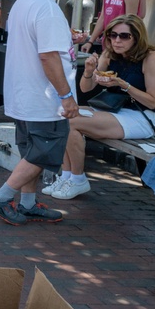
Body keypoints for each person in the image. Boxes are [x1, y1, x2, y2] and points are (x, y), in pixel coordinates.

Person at [0, 0, 92, 226]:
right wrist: (66, 96)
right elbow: (48, 57)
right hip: (43, 98)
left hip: (25, 94)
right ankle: (2, 196)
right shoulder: (47, 7)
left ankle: (28, 203)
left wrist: (67, 38)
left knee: (32, 151)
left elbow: (40, 47)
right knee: (42, 153)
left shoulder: (26, 1)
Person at [44, 15, 155, 200]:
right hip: (113, 111)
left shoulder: (149, 57)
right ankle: (66, 176)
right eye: (112, 35)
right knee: (63, 114)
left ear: (137, 37)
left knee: (72, 123)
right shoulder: (109, 53)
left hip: (142, 116)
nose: (117, 40)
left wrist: (123, 84)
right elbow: (85, 88)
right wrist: (88, 72)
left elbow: (152, 102)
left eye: (124, 36)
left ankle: (78, 179)